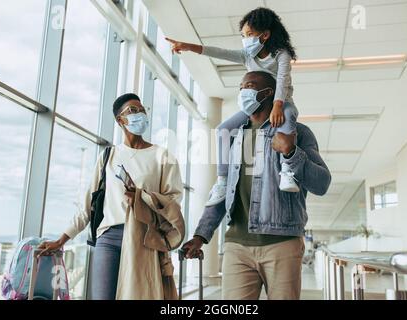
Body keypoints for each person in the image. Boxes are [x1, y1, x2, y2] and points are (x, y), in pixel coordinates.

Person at [182, 71, 331, 300]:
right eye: (241, 87)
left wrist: (292, 152)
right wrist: (201, 235)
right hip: (236, 247)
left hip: (282, 243)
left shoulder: (298, 133)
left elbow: (322, 183)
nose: (243, 92)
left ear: (268, 92)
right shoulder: (233, 137)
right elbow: (222, 191)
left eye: (249, 86)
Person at [38, 93, 185, 300]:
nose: (140, 114)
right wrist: (61, 240)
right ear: (120, 120)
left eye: (142, 110)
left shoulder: (162, 155)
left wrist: (142, 198)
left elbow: (173, 201)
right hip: (108, 238)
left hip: (144, 237)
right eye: (133, 111)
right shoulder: (108, 156)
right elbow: (88, 205)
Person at [166, 7, 300, 207]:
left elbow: (282, 80)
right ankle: (222, 180)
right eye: (243, 35)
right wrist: (189, 46)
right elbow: (220, 52)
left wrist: (278, 105)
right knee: (223, 130)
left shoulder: (281, 54)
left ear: (265, 35)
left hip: (282, 103)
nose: (245, 39)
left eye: (250, 35)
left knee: (288, 121)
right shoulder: (247, 56)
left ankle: (288, 172)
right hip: (255, 107)